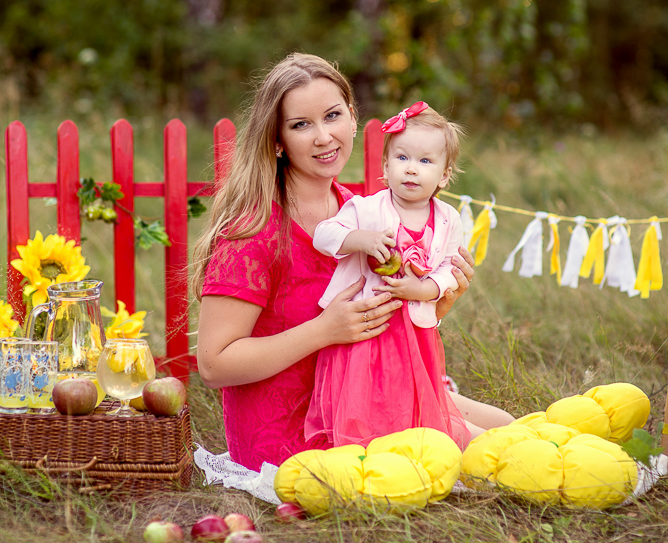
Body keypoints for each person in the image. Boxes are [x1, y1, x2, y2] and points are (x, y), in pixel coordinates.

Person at [195, 53, 513, 472]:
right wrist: (324, 331)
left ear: (352, 117)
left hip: (369, 390)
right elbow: (214, 365)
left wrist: (434, 304)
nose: (324, 136)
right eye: (300, 125)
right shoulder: (256, 230)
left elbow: (383, 322)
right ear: (277, 141)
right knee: (497, 456)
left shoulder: (358, 211)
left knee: (508, 427)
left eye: (332, 116)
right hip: (296, 426)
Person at [304, 101, 473, 450]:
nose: (412, 170)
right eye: (402, 158)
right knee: (365, 393)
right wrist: (360, 239)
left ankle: (410, 445)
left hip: (413, 331)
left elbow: (449, 270)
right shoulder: (366, 209)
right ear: (385, 165)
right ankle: (365, 447)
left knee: (409, 392)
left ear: (444, 174)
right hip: (368, 328)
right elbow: (323, 235)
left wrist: (423, 289)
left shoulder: (447, 219)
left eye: (425, 161)